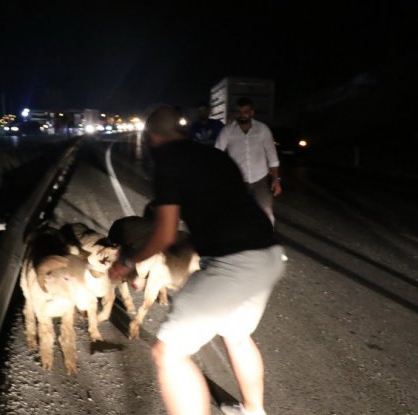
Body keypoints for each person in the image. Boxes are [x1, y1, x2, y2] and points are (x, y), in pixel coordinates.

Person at [108, 105, 285, 415]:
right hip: (268, 254)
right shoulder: (215, 156)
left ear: (153, 137)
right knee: (237, 335)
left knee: (170, 354)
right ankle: (253, 410)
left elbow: (164, 233)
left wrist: (128, 261)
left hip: (233, 263)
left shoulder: (167, 161)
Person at [215, 97, 281, 225]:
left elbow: (272, 155)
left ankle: (267, 239)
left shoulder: (262, 129)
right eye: (240, 112)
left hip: (260, 180)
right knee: (238, 213)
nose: (242, 115)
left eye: (246, 111)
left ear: (252, 112)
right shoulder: (228, 131)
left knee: (266, 212)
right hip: (238, 181)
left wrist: (275, 180)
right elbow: (216, 154)